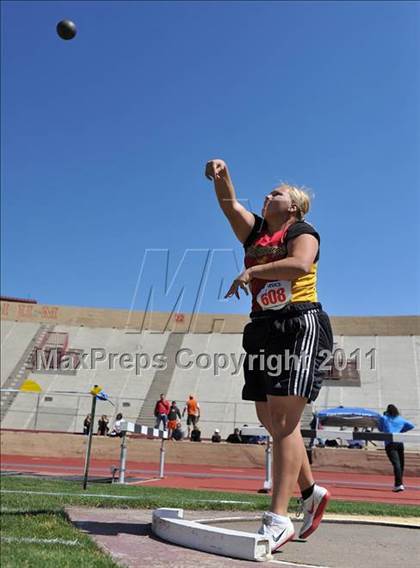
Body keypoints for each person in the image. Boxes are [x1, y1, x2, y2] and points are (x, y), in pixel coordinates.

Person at [205, 159, 334, 552]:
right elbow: (230, 206)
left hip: (299, 324)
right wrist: (222, 175)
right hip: (262, 328)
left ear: (292, 206)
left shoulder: (301, 231)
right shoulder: (256, 235)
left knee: (282, 420)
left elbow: (298, 264)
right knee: (269, 418)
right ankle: (310, 491)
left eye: (275, 193)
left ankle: (278, 518)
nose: (267, 196)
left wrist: (250, 274)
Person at [378, 404, 415, 491]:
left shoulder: (384, 418)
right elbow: (411, 425)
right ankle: (400, 483)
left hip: (390, 443)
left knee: (396, 464)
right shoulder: (400, 419)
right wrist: (401, 430)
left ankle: (398, 484)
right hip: (399, 442)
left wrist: (384, 417)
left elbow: (380, 428)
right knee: (400, 464)